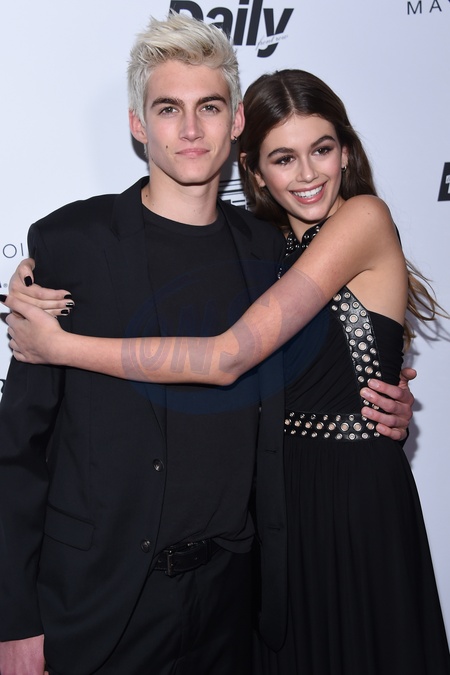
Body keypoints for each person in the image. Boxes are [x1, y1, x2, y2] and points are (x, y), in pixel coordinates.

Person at [0, 19, 415, 675]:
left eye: (210, 107)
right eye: (169, 109)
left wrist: (384, 394)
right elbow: (18, 450)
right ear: (138, 125)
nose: (191, 129)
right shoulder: (72, 243)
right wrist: (14, 617)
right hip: (101, 603)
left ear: (236, 121)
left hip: (235, 603)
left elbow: (296, 350)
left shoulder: (270, 250)